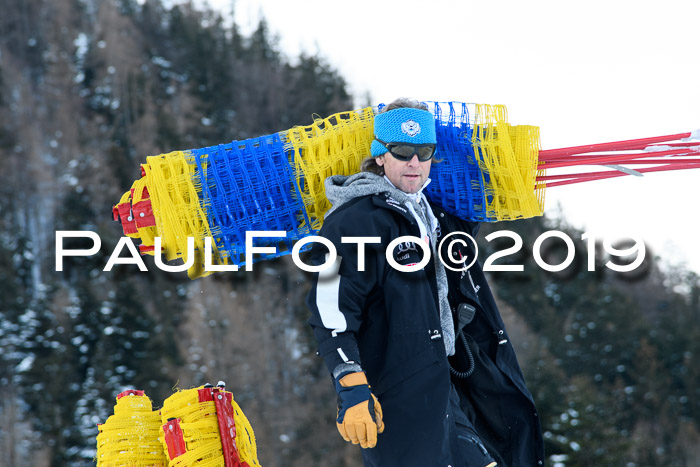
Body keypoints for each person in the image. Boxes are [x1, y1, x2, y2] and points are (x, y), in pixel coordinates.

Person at [306, 98, 544, 466]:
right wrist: (350, 384)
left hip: (445, 387)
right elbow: (330, 310)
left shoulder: (434, 214)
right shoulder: (356, 221)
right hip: (396, 398)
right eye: (402, 151)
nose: (414, 162)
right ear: (380, 155)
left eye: (424, 151)